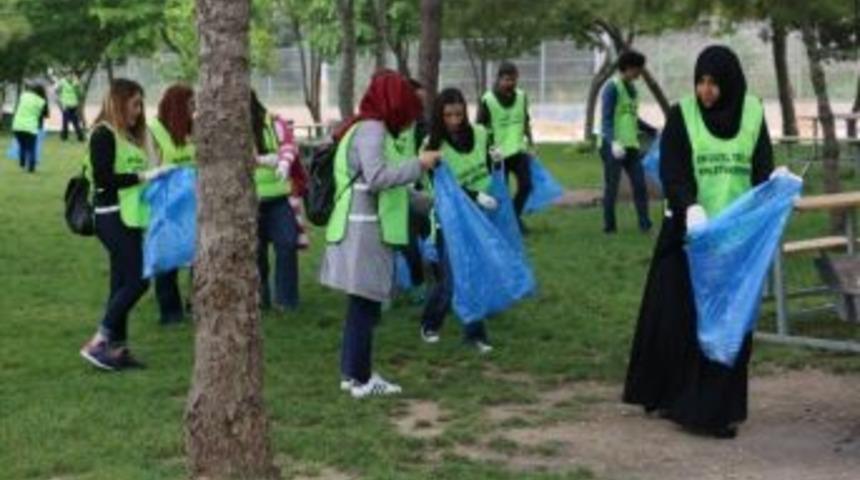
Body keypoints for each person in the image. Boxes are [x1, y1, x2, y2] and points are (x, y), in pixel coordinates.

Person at [622, 46, 775, 438]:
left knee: (727, 323)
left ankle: (713, 407)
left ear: (730, 82)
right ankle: (672, 395)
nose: (706, 90)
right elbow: (673, 168)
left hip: (733, 239)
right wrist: (688, 205)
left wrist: (774, 189)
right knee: (679, 316)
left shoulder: (753, 114)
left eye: (714, 82)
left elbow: (761, 170)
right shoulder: (683, 114)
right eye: (701, 81)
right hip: (690, 233)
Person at [320, 70, 441, 398]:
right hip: (364, 231)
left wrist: (434, 202)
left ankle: (351, 374)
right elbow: (377, 178)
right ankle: (361, 379)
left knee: (361, 305)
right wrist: (420, 164)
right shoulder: (372, 129)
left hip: (361, 228)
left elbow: (394, 188)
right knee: (365, 306)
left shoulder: (367, 128)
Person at [79, 79, 177, 371]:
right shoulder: (103, 135)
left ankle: (116, 349)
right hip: (111, 217)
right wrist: (148, 175)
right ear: (120, 102)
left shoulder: (127, 136)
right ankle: (99, 341)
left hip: (130, 217)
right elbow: (104, 178)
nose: (138, 111)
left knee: (121, 283)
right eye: (134, 104)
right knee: (138, 280)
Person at [420, 87, 498, 353]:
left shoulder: (479, 134)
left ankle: (475, 335)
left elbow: (488, 165)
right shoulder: (431, 147)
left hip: (478, 218)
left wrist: (496, 161)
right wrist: (476, 196)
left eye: (458, 114)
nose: (454, 120)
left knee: (473, 275)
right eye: (448, 115)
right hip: (448, 221)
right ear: (439, 116)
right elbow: (443, 192)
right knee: (451, 281)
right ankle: (430, 321)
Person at [147, 84, 195, 324]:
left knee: (199, 257)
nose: (193, 110)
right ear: (177, 106)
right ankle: (171, 313)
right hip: (167, 207)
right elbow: (150, 170)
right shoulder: (153, 131)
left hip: (194, 204)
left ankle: (197, 303)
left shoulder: (194, 129)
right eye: (190, 105)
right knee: (168, 260)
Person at [251, 91, 301, 311]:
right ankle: (261, 298)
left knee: (287, 244)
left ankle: (286, 300)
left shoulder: (273, 122)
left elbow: (288, 146)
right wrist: (271, 159)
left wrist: (277, 162)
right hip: (249, 200)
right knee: (256, 252)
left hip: (278, 196)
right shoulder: (231, 128)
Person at [599, 50, 658, 234]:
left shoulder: (633, 90)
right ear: (629, 67)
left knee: (640, 185)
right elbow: (606, 119)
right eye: (638, 68)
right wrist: (613, 142)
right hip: (613, 148)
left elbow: (633, 118)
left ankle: (645, 225)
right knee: (612, 187)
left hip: (632, 146)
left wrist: (654, 130)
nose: (640, 72)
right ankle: (609, 227)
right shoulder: (612, 87)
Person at [476, 62, 534, 232]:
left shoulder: (522, 96)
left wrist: (531, 143)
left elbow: (525, 121)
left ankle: (514, 218)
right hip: (497, 155)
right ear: (499, 79)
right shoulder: (488, 100)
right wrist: (489, 149)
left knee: (527, 186)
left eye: (514, 79)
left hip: (517, 151)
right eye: (508, 80)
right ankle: (500, 226)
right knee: (501, 193)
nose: (512, 83)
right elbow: (479, 129)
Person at [11, 84, 49, 173]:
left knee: (22, 146)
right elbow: (46, 115)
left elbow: (19, 106)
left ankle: (22, 163)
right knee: (31, 148)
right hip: (30, 127)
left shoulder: (24, 96)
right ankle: (31, 168)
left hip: (17, 125)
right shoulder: (42, 101)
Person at [56, 73, 86, 142]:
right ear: (65, 76)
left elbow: (81, 94)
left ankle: (80, 137)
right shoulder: (62, 82)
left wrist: (78, 86)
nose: (70, 77)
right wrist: (60, 99)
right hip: (66, 105)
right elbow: (57, 90)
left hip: (74, 105)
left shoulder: (76, 82)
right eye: (68, 75)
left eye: (71, 75)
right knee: (65, 122)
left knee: (75, 122)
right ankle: (64, 137)